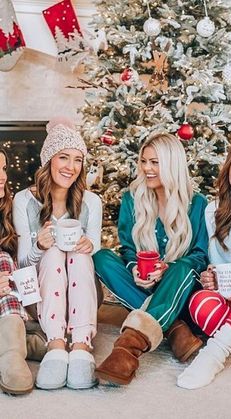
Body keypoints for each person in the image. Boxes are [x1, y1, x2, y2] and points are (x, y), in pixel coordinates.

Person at [93, 132, 209, 385]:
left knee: (184, 266)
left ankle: (128, 349)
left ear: (171, 163)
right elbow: (127, 248)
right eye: (144, 161)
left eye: (155, 162)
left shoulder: (197, 203)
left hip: (180, 286)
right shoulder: (131, 199)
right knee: (101, 257)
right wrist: (134, 267)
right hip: (142, 284)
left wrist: (167, 269)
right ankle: (175, 328)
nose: (146, 168)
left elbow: (200, 255)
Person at [13, 118, 102, 390]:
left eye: (77, 160)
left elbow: (95, 252)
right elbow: (23, 266)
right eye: (63, 157)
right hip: (39, 295)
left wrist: (90, 246)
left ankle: (81, 343)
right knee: (51, 253)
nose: (71, 167)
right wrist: (39, 246)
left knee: (79, 254)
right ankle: (55, 343)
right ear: (49, 160)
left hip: (82, 294)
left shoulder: (91, 202)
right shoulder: (24, 201)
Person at [178, 141, 231, 389]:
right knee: (199, 302)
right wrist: (210, 276)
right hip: (228, 299)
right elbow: (214, 264)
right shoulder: (214, 211)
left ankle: (217, 351)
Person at [0, 149, 33, 395]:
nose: (2, 177)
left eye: (3, 169)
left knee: (5, 259)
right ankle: (18, 347)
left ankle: (12, 352)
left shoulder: (6, 207)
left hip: (4, 299)